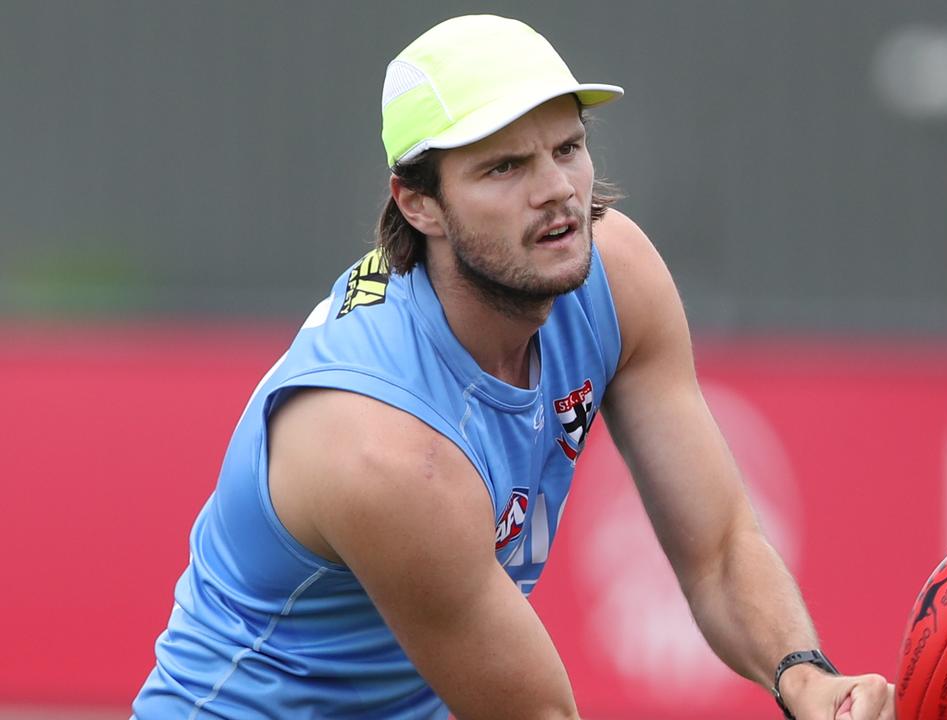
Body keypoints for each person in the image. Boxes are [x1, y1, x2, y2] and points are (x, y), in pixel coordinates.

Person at [132, 14, 893, 720]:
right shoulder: (386, 451)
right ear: (419, 204)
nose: (558, 188)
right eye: (504, 168)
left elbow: (720, 547)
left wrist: (807, 680)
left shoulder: (614, 272)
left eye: (568, 147)